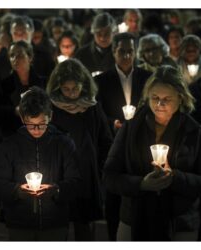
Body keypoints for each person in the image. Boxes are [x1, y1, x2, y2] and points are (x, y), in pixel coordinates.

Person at [103, 65, 201, 241]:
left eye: (167, 99)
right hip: (133, 219)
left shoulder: (194, 132)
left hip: (179, 224)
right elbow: (109, 176)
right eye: (155, 97)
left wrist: (175, 178)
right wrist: (142, 184)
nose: (159, 104)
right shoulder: (131, 129)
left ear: (181, 98)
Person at [0, 86, 82, 241]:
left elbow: (76, 182)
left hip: (55, 224)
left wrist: (57, 190)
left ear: (50, 116)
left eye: (42, 123)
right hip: (19, 224)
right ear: (22, 119)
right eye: (31, 124)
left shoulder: (64, 144)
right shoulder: (9, 146)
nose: (37, 130)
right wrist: (16, 191)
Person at [46, 58, 113, 240]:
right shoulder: (52, 108)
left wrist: (99, 168)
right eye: (66, 89)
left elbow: (104, 140)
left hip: (87, 176)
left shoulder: (91, 107)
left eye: (75, 89)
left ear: (83, 85)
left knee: (85, 230)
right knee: (59, 229)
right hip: (60, 175)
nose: (71, 94)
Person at [94, 32, 151, 241]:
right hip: (113, 145)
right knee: (114, 198)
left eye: (130, 51)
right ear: (114, 51)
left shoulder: (146, 77)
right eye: (121, 51)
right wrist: (112, 123)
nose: (126, 55)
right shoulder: (101, 80)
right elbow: (97, 111)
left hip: (139, 144)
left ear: (135, 52)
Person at [0, 40, 46, 139]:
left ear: (30, 57)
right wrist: (14, 111)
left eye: (19, 55)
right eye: (12, 55)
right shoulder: (3, 86)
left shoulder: (43, 83)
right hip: (12, 135)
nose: (15, 59)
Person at [75, 12, 116, 76]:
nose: (102, 37)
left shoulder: (120, 53)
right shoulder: (82, 54)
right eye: (99, 33)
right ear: (93, 33)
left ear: (113, 33)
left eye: (107, 33)